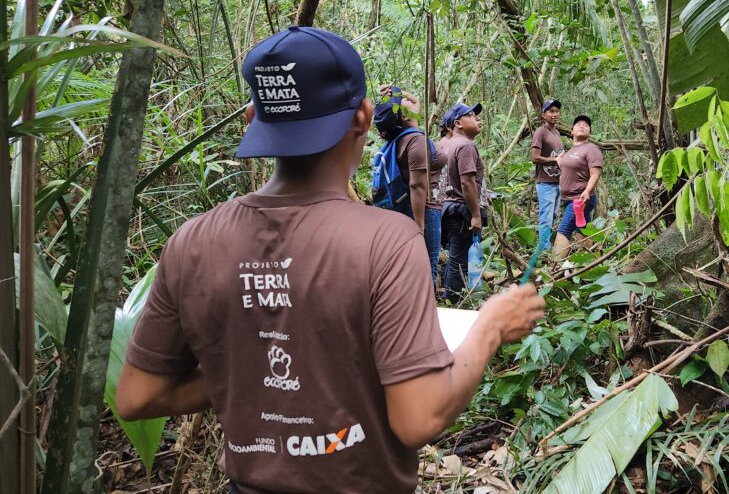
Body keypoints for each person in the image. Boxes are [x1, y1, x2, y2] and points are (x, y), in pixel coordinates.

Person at [115, 26, 545, 494]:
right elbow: (418, 416)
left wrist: (243, 366)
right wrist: (490, 327)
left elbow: (139, 395)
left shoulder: (191, 241)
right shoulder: (387, 241)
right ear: (362, 116)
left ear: (252, 117)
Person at [372, 85, 444, 280]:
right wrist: (419, 227)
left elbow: (415, 101)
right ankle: (426, 309)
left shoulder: (402, 138)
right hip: (423, 211)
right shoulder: (416, 140)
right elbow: (417, 185)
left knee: (410, 269)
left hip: (408, 210)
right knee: (427, 269)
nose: (410, 102)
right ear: (403, 116)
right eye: (404, 103)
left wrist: (398, 93)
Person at [441, 101, 486, 302]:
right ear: (458, 123)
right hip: (461, 210)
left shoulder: (445, 144)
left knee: (454, 257)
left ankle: (452, 298)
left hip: (448, 208)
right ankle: (454, 303)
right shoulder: (465, 145)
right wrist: (476, 215)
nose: (477, 118)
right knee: (458, 260)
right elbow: (467, 183)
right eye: (471, 115)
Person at [554, 114, 603, 259]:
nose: (582, 126)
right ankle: (590, 261)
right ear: (571, 131)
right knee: (583, 230)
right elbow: (567, 168)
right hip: (568, 198)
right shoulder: (570, 151)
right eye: (578, 125)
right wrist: (559, 161)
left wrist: (587, 191)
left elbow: (595, 173)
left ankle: (554, 264)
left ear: (589, 132)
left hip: (580, 198)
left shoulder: (591, 149)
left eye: (586, 125)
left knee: (564, 230)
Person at [531, 99, 564, 236]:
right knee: (546, 218)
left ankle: (547, 245)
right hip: (545, 183)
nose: (555, 114)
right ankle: (543, 248)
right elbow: (535, 158)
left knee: (554, 216)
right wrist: (555, 160)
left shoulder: (556, 133)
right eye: (551, 111)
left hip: (557, 182)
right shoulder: (540, 132)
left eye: (557, 111)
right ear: (543, 115)